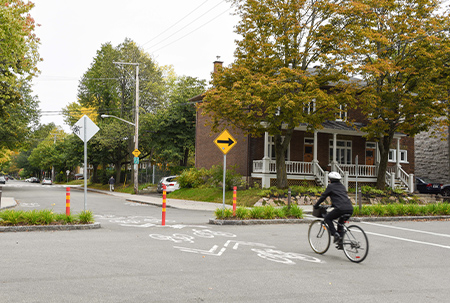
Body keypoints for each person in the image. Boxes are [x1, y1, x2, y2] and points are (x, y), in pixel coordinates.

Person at [313, 171, 353, 245]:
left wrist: (316, 205)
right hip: (350, 208)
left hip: (340, 209)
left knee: (327, 218)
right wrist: (333, 205)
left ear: (330, 179)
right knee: (340, 223)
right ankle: (340, 243)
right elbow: (341, 198)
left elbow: (323, 197)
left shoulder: (331, 186)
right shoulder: (342, 186)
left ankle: (335, 234)